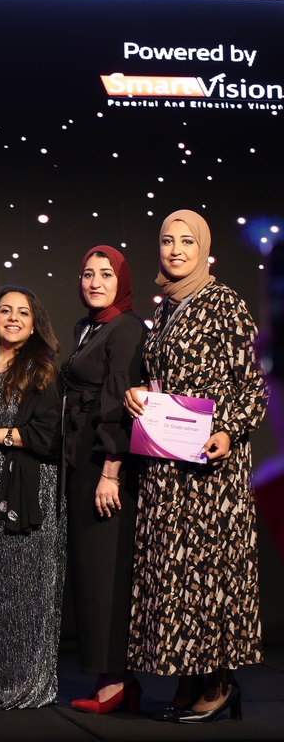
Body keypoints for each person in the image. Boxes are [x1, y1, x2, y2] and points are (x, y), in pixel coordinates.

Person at [124, 209, 268, 723]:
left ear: (203, 248)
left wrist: (229, 430)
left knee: (211, 571)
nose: (176, 250)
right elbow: (165, 379)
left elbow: (255, 382)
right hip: (167, 464)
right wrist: (140, 395)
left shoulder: (224, 301)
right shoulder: (165, 307)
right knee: (176, 572)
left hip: (211, 467)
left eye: (187, 241)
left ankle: (220, 680)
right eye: (168, 241)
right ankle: (189, 674)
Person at [0, 285, 63, 709]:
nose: (14, 318)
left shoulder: (42, 370)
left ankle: (25, 684)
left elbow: (49, 436)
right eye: (5, 310)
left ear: (35, 323)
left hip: (26, 490)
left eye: (23, 312)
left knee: (24, 592)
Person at [61, 246, 147, 714]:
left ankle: (117, 679)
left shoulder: (126, 327)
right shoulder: (87, 326)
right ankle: (109, 677)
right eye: (88, 274)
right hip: (81, 462)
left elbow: (121, 401)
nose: (95, 282)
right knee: (91, 573)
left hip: (105, 467)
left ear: (122, 281)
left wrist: (111, 472)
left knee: (106, 573)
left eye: (106, 274)